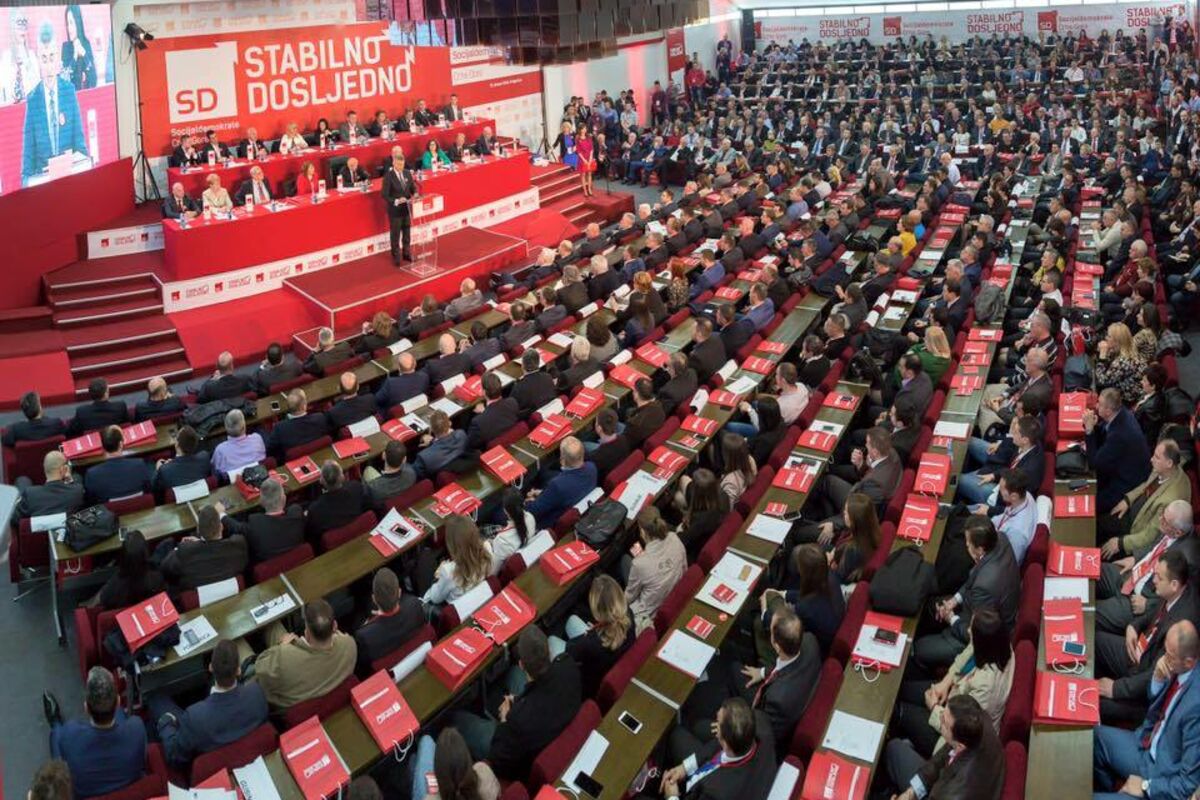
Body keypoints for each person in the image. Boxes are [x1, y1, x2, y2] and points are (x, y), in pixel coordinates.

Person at [452, 626, 582, 781]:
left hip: (520, 753)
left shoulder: (518, 720)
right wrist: (519, 701)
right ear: (549, 652)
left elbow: (498, 756)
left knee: (457, 719)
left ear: (522, 664)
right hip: (553, 715)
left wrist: (504, 720)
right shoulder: (568, 665)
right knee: (513, 674)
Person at [1093, 620, 1200, 800]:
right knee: (1095, 738)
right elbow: (1155, 707)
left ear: (1189, 662)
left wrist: (1145, 786)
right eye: (1165, 651)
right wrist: (1157, 679)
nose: (1164, 659)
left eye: (1170, 656)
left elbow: (1186, 785)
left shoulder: (1195, 707)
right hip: (1145, 746)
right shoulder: (1176, 666)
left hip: (1160, 778)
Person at [892, 609, 1014, 759]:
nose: (968, 631)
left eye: (971, 630)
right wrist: (945, 683)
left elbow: (962, 729)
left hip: (951, 738)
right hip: (953, 698)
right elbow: (964, 656)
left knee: (899, 710)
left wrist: (934, 707)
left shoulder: (986, 687)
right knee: (901, 691)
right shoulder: (996, 643)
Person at [1097, 550, 1198, 725]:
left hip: (1144, 684)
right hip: (1138, 652)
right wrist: (1134, 626)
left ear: (1174, 584)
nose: (1153, 580)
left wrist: (1115, 688)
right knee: (1097, 642)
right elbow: (1154, 612)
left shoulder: (1180, 627)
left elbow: (1153, 675)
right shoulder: (1173, 591)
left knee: (1099, 704)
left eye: (1158, 577)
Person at [915, 517, 1020, 669]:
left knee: (920, 649)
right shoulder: (1000, 539)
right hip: (976, 605)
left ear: (980, 549)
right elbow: (974, 576)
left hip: (984, 640)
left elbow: (976, 635)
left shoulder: (984, 586)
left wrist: (951, 618)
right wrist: (954, 600)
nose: (966, 545)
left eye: (968, 543)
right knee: (931, 607)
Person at [148, 639, 268, 769]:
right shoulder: (256, 692)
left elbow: (175, 756)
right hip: (240, 748)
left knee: (156, 699)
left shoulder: (194, 717)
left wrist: (166, 723)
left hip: (207, 754)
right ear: (238, 670)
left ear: (211, 667)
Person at [44, 667, 146, 798]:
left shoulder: (69, 734)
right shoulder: (137, 728)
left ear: (86, 708)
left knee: (57, 735)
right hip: (127, 786)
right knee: (121, 715)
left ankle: (54, 723)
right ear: (118, 702)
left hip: (85, 794)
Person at [884, 695, 1004, 800]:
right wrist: (911, 793)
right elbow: (943, 755)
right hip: (948, 782)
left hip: (946, 792)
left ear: (960, 746)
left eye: (944, 722)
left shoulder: (955, 793)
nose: (939, 717)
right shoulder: (976, 721)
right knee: (894, 747)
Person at [657, 697, 777, 800]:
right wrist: (684, 768)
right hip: (714, 768)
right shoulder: (760, 722)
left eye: (718, 722)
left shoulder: (716, 794)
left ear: (725, 744)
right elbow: (719, 745)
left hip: (699, 792)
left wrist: (672, 796)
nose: (716, 722)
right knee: (678, 734)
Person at [254, 598, 358, 710]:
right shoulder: (349, 644)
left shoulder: (284, 658)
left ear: (306, 632)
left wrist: (281, 646)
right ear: (335, 626)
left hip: (290, 704)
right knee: (273, 626)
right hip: (325, 694)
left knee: (245, 645)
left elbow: (259, 670)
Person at [1099, 440, 1192, 559]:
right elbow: (1146, 485)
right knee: (1099, 523)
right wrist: (1128, 500)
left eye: (1157, 457)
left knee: (1101, 551)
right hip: (1134, 513)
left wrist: (1121, 543)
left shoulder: (1169, 501)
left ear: (1169, 463)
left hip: (1135, 531)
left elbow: (1149, 535)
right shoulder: (1166, 469)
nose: (1151, 459)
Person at [23, 21, 89, 186]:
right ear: (38, 60)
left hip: (69, 182)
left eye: (52, 57)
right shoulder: (32, 100)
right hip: (44, 187)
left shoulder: (69, 91)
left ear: (58, 57)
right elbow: (27, 162)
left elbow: (81, 148)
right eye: (44, 59)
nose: (49, 66)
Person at [550, 574, 635, 696]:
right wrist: (595, 630)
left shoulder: (589, 643)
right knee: (572, 621)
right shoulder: (628, 614)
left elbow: (571, 650)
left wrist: (589, 635)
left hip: (589, 685)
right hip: (612, 660)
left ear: (596, 610)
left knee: (551, 640)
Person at [1085, 388, 1154, 513]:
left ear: (1108, 411)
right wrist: (1094, 427)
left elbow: (1094, 463)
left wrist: (1089, 431)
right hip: (1123, 468)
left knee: (1090, 503)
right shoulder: (1122, 413)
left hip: (1128, 483)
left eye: (1099, 404)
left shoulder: (1119, 435)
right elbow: (1105, 432)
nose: (1096, 406)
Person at [625, 506, 686, 632]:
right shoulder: (674, 537)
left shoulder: (638, 564)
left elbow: (629, 597)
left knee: (624, 561)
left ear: (642, 532)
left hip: (651, 613)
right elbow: (685, 568)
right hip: (675, 595)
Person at [354, 567, 424, 674]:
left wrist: (370, 623)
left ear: (374, 599)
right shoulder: (415, 605)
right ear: (399, 593)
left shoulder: (364, 635)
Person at [217, 478, 304, 564]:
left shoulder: (255, 524)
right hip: (298, 562)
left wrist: (221, 514)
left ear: (261, 502)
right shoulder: (296, 513)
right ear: (284, 499)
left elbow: (236, 527)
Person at [160, 505, 248, 590]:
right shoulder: (238, 544)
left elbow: (165, 568)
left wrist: (179, 548)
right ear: (221, 527)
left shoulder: (185, 552)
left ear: (198, 530)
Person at [422, 514, 492, 611]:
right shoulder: (487, 547)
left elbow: (435, 598)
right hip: (477, 598)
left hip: (457, 608)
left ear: (452, 543)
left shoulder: (448, 571)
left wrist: (437, 576)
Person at [526, 437, 598, 529]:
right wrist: (543, 493)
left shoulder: (557, 485)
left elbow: (533, 511)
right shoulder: (592, 468)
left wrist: (530, 501)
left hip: (549, 523)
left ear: (562, 460)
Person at [409, 727, 501, 800]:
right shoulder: (484, 772)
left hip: (437, 793)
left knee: (426, 742)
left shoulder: (430, 798)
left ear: (437, 773)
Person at [94, 530, 166, 610]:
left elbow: (103, 601)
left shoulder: (113, 586)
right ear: (146, 553)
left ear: (122, 554)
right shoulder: (157, 579)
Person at [84, 425, 152, 503]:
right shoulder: (140, 464)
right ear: (121, 444)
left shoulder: (92, 475)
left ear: (102, 446)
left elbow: (91, 501)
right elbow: (148, 490)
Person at [304, 461, 369, 541]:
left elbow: (311, 534)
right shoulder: (356, 487)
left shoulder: (315, 509)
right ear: (342, 477)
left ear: (321, 481)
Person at [17, 451, 83, 519]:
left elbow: (15, 518)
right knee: (77, 477)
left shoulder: (30, 494)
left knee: (22, 480)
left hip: (39, 524)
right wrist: (69, 479)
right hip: (68, 525)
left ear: (45, 468)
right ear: (63, 469)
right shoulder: (76, 491)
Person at [152, 425, 211, 496]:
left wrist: (157, 470)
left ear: (177, 444)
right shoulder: (204, 458)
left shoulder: (164, 470)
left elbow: (155, 490)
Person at [382, 152, 416, 265]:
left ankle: (406, 253)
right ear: (394, 163)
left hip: (406, 208)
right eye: (399, 165)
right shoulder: (388, 176)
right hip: (395, 210)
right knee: (395, 234)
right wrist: (396, 201)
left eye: (402, 164)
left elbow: (412, 187)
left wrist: (415, 193)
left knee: (407, 232)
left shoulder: (407, 173)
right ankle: (396, 255)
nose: (401, 167)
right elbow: (384, 194)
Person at [209, 409, 266, 479]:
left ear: (226, 428)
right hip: (260, 477)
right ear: (244, 426)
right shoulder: (257, 439)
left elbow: (214, 468)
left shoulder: (220, 450)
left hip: (233, 483)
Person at [413, 410, 468, 479]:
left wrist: (431, 443)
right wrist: (432, 441)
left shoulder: (423, 457)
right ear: (450, 423)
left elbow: (416, 475)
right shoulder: (462, 434)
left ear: (432, 429)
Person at [364, 440, 417, 510]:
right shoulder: (412, 473)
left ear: (383, 455)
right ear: (404, 459)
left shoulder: (373, 487)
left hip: (380, 508)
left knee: (368, 469)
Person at [576, 124, 596, 197]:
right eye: (582, 129)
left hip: (589, 157)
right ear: (580, 130)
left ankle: (589, 189)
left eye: (585, 128)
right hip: (582, 158)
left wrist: (590, 159)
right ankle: (585, 190)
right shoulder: (578, 139)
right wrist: (584, 160)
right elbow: (578, 151)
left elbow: (591, 149)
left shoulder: (588, 137)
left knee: (589, 174)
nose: (584, 130)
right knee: (583, 175)